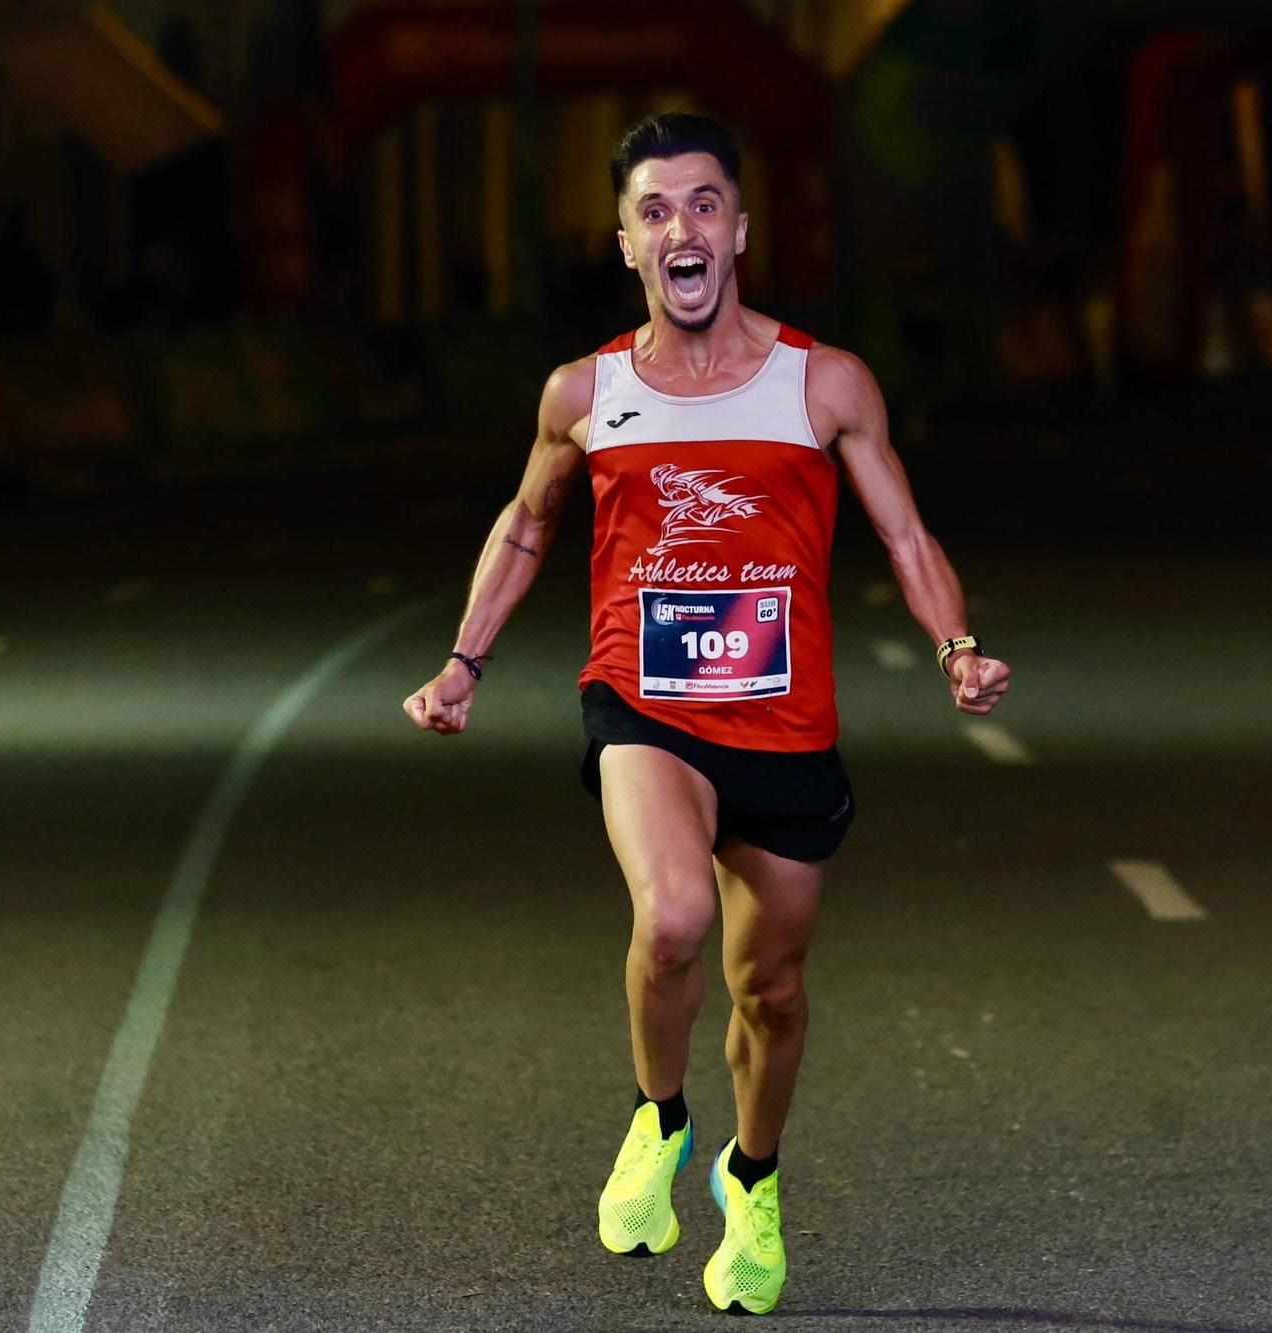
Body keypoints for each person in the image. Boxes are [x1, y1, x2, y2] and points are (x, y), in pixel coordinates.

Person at [401, 112, 1011, 1316]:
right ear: (624, 243)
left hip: (785, 727)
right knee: (671, 913)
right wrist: (463, 660)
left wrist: (956, 645)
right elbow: (527, 524)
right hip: (644, 704)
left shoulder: (821, 381)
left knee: (769, 992)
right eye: (651, 210)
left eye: (700, 204)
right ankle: (659, 1119)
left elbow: (900, 528)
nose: (678, 226)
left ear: (738, 229)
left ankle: (753, 1178)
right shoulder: (586, 391)